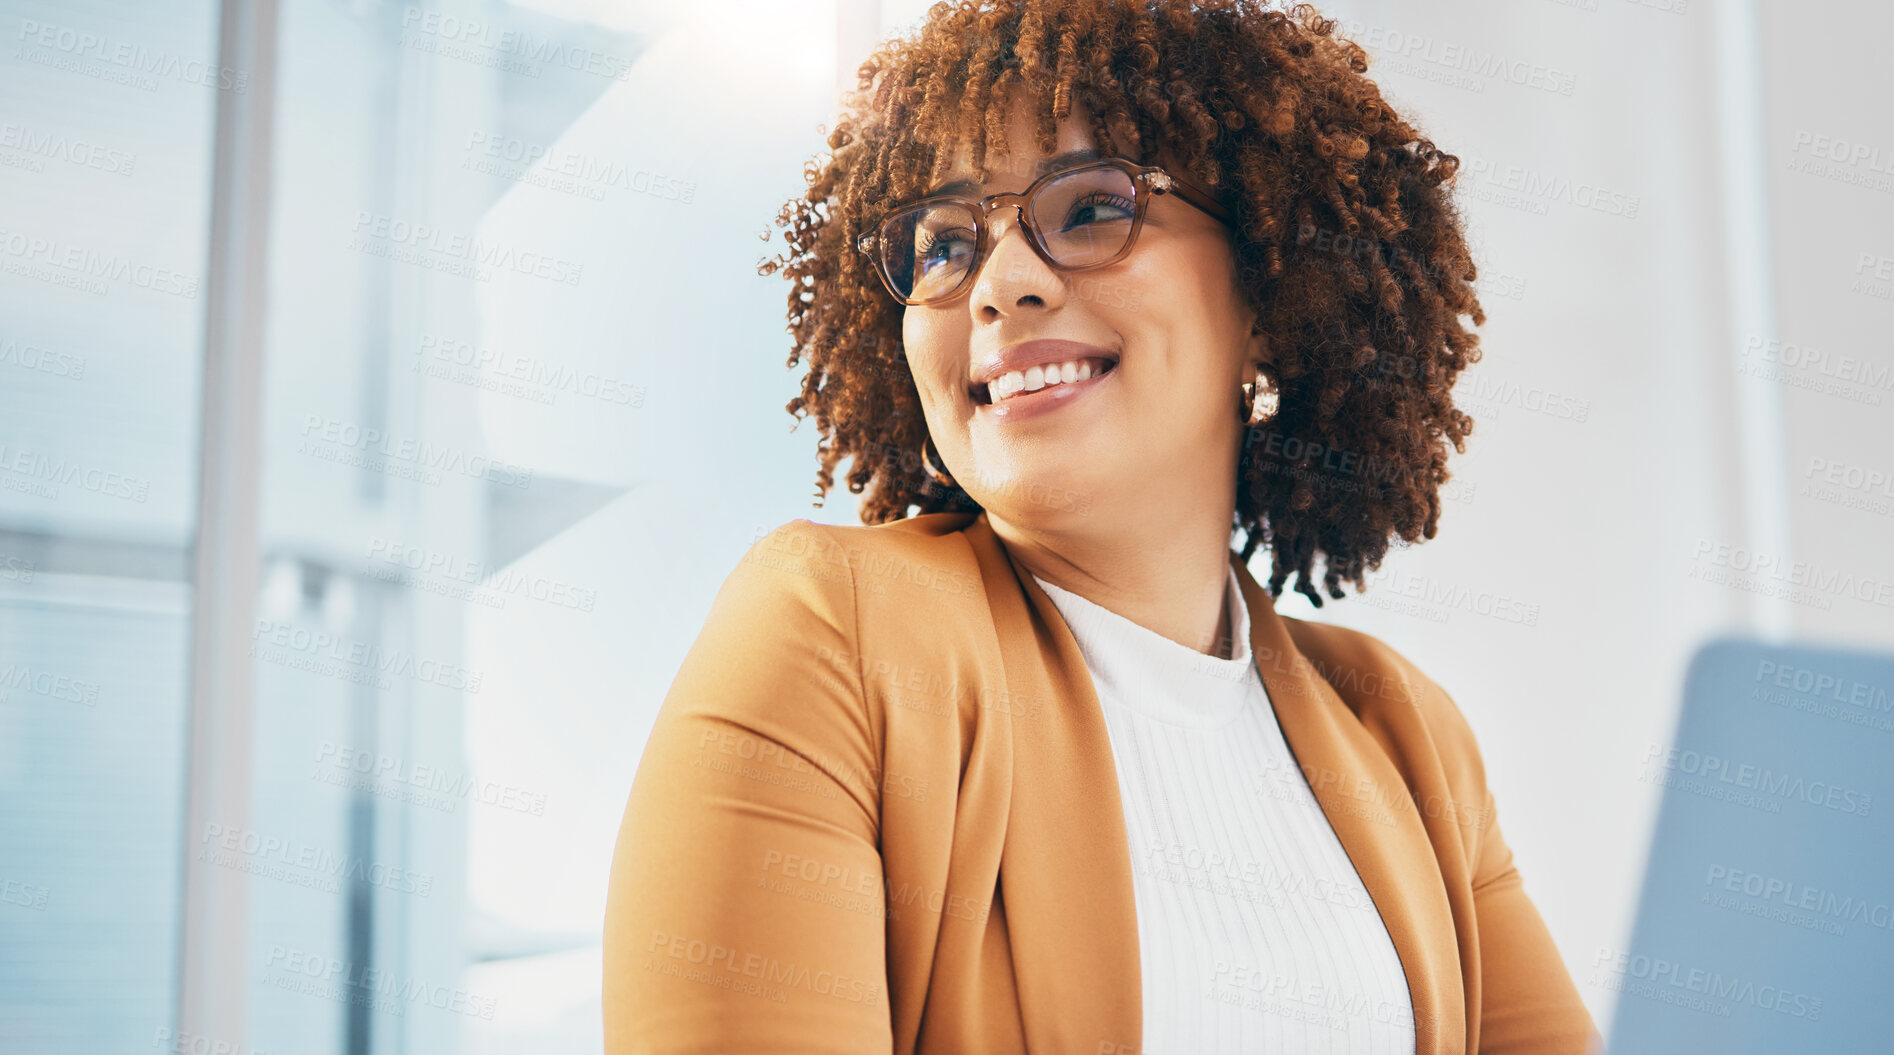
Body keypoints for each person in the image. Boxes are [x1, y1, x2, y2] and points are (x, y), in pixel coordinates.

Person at [604, 2, 1596, 1052]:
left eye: (1087, 210)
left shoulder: (1403, 732)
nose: (998, 284)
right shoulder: (834, 632)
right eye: (944, 244)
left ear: (1265, 288)